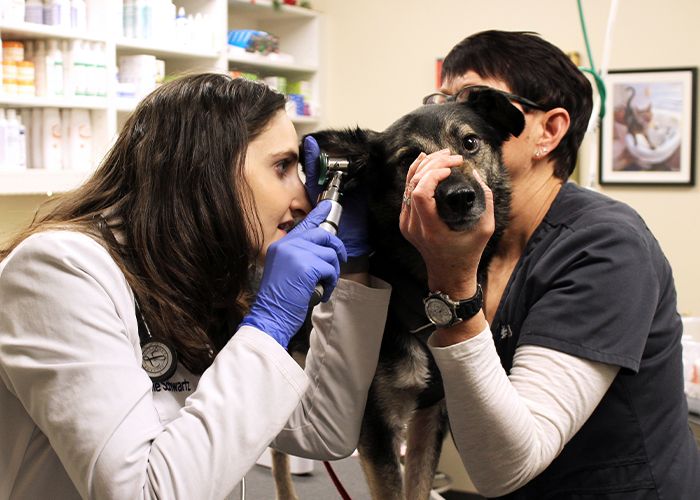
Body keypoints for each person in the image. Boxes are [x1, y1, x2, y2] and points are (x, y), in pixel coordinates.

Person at [0, 73, 390, 499]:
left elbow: (323, 431)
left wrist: (354, 266)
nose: (304, 196)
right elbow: (143, 493)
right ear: (206, 168)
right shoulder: (60, 270)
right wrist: (270, 324)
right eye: (282, 166)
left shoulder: (195, 275)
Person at [401, 30, 700, 498]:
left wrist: (452, 288)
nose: (452, 118)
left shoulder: (606, 247)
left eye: (477, 101)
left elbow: (505, 466)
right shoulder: (473, 240)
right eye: (444, 100)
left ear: (549, 131)